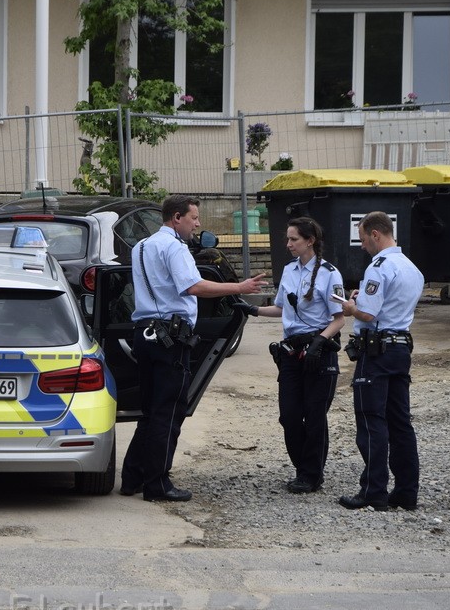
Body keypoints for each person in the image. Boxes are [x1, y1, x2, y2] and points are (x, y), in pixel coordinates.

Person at [120, 195, 269, 502]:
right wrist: (239, 288)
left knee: (149, 411)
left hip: (144, 334)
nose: (198, 223)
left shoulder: (142, 247)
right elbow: (193, 286)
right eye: (194, 218)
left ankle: (133, 477)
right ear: (177, 218)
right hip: (170, 338)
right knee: (169, 413)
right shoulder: (174, 247)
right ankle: (157, 484)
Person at [246, 217, 345, 494]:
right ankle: (304, 467)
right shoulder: (289, 270)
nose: (288, 244)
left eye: (294, 239)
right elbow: (281, 309)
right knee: (289, 416)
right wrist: (251, 310)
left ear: (309, 241)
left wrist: (319, 342)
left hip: (318, 352)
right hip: (291, 353)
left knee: (314, 416)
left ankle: (311, 475)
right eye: (288, 239)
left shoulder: (329, 273)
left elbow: (339, 319)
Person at [337, 211, 424, 512]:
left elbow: (369, 315)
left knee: (371, 420)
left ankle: (373, 491)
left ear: (376, 234)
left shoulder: (379, 267)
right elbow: (388, 306)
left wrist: (351, 306)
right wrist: (364, 301)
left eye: (362, 240)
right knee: (400, 423)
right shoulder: (411, 268)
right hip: (401, 349)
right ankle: (406, 491)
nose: (362, 246)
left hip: (376, 352)